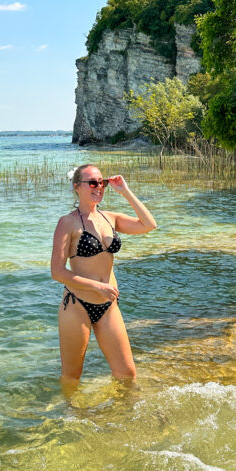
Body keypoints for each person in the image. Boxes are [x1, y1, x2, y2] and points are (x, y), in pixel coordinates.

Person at [51, 164, 157, 393]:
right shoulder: (67, 223)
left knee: (127, 374)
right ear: (77, 187)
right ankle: (69, 417)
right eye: (92, 183)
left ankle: (126, 416)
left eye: (102, 182)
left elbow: (149, 224)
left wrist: (125, 191)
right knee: (72, 376)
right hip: (77, 305)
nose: (98, 187)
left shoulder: (110, 218)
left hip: (108, 306)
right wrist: (97, 285)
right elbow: (57, 272)